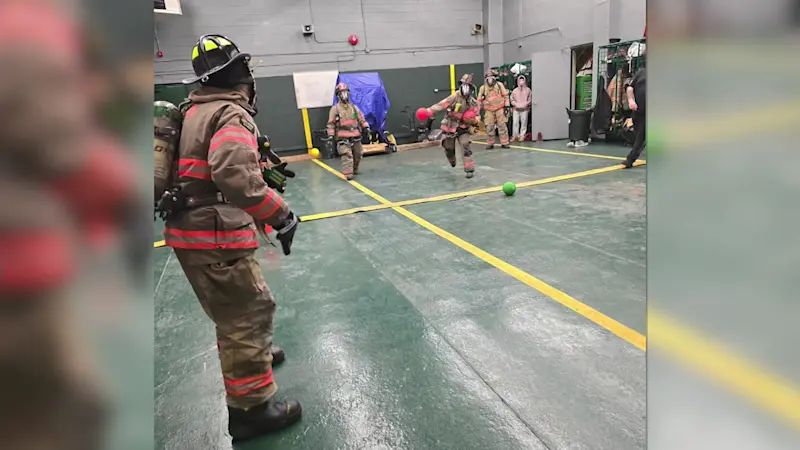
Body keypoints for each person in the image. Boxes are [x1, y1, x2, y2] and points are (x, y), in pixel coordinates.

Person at [165, 34, 302, 442]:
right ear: (241, 74)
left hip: (193, 231)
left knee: (233, 307)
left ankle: (254, 357)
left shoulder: (191, 111)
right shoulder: (229, 113)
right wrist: (280, 214)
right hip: (216, 233)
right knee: (247, 314)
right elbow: (234, 175)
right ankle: (252, 412)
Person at [418, 73, 481, 178]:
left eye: (468, 86)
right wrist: (429, 111)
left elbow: (477, 114)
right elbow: (441, 105)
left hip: (463, 128)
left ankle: (469, 169)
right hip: (449, 126)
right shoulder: (454, 97)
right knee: (448, 147)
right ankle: (452, 159)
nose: (465, 88)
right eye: (463, 85)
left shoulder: (473, 102)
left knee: (465, 145)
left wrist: (475, 121)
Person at [326, 82, 370, 180]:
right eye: (342, 93)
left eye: (345, 92)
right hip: (343, 136)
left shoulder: (353, 108)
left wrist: (366, 127)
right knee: (346, 154)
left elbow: (361, 119)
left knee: (358, 153)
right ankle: (348, 173)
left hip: (355, 135)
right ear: (338, 95)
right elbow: (331, 123)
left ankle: (354, 169)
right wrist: (331, 135)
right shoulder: (335, 109)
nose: (344, 95)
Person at [477, 69, 510, 149]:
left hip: (500, 108)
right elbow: (479, 100)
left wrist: (506, 107)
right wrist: (477, 112)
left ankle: (504, 142)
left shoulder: (499, 85)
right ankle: (490, 143)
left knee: (502, 126)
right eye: (488, 77)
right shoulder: (483, 88)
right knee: (489, 127)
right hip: (488, 110)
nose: (490, 78)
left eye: (491, 76)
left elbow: (505, 96)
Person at [623, 65, 646, 168]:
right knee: (639, 133)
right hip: (638, 111)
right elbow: (630, 88)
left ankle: (630, 159)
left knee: (642, 135)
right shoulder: (641, 72)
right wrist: (631, 100)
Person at [510, 75, 532, 142]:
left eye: (522, 80)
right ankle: (515, 135)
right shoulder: (515, 90)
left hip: (524, 109)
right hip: (516, 109)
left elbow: (530, 99)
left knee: (524, 123)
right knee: (515, 122)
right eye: (520, 80)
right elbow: (511, 99)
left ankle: (522, 135)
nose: (521, 82)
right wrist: (515, 104)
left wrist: (526, 104)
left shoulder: (528, 90)